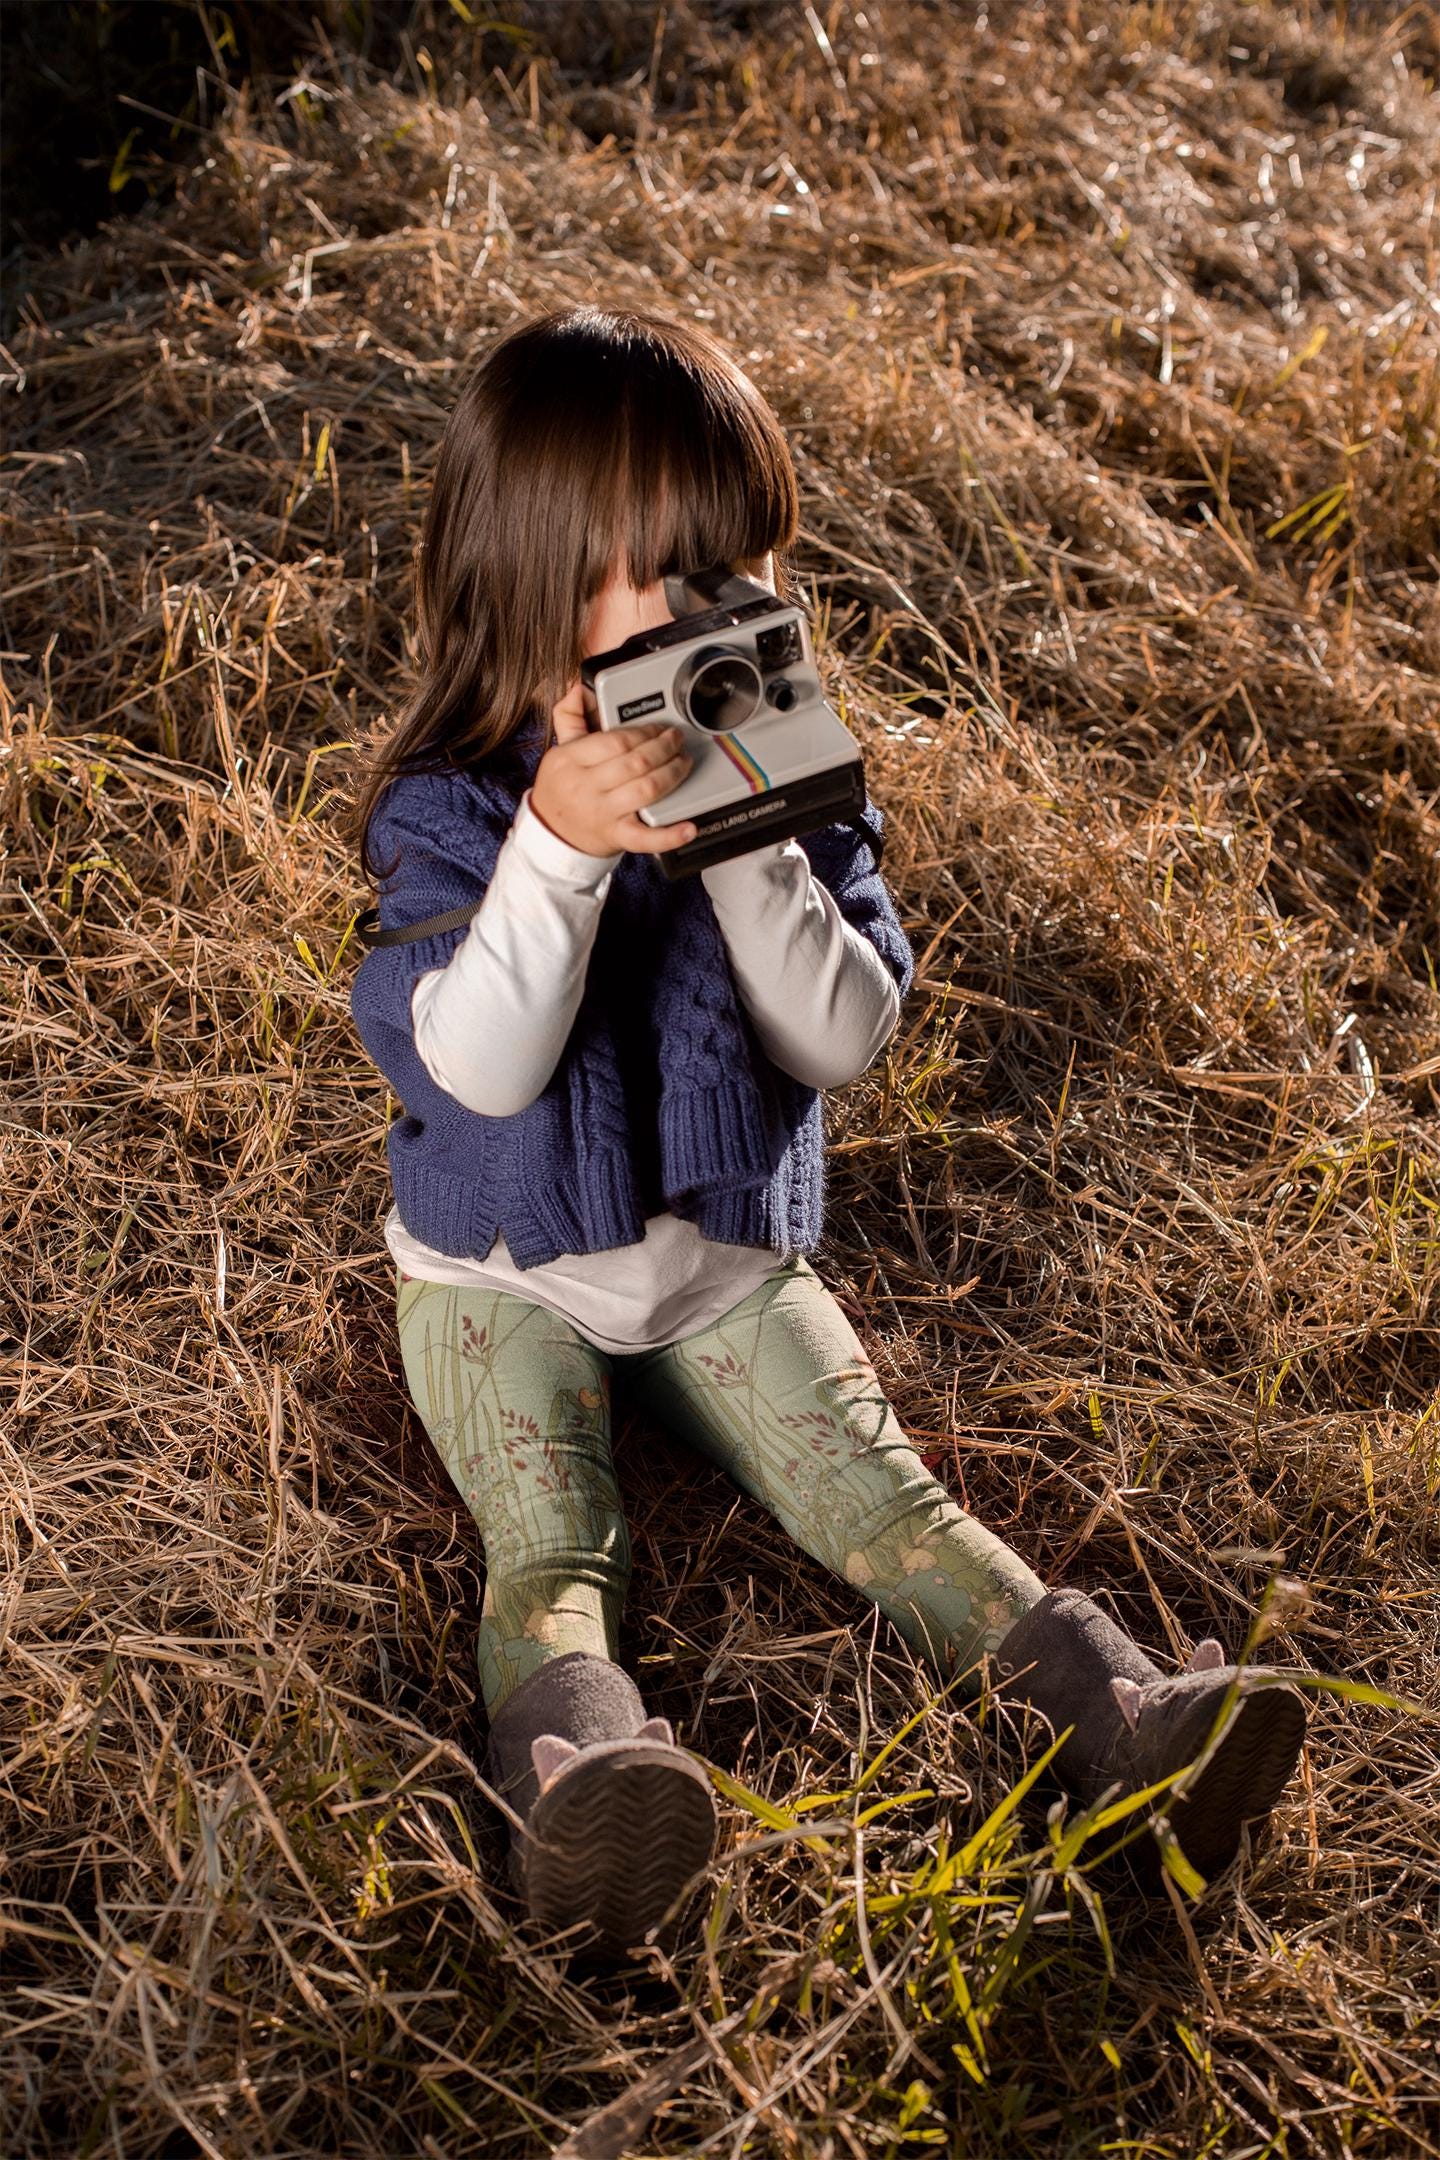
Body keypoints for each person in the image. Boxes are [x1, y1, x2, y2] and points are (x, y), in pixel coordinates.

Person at [348, 303, 1308, 1960]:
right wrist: (565, 859)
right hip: (500, 1268)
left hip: (715, 1258)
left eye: (750, 576)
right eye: (677, 577)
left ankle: (1130, 1725)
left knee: (881, 1494)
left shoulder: (797, 784)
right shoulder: (456, 808)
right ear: (537, 582)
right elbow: (482, 1070)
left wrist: (753, 843)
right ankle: (588, 1787)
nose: (726, 620)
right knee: (555, 1537)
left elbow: (844, 1035)